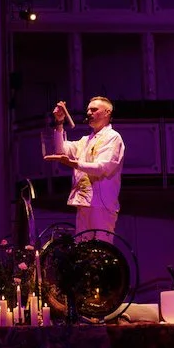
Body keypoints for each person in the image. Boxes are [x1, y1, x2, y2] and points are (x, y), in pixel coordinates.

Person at [46, 97, 125, 242]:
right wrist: (59, 122)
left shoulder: (113, 138)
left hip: (101, 204)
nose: (89, 112)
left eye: (94, 110)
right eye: (88, 109)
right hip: (84, 202)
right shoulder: (86, 140)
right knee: (82, 249)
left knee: (102, 249)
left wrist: (73, 163)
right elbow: (60, 149)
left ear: (107, 112)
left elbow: (102, 168)